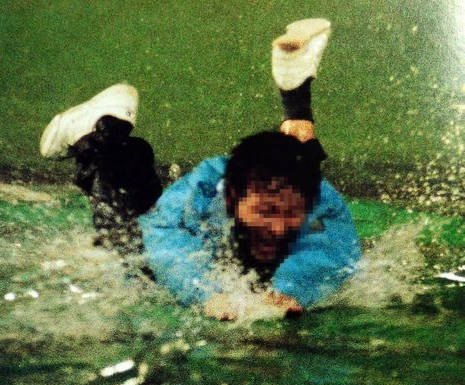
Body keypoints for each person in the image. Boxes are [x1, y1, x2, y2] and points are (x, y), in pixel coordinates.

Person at [39, 18, 361, 319]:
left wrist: (290, 290)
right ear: (232, 197)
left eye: (288, 213)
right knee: (128, 241)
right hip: (171, 232)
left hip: (272, 195)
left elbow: (331, 247)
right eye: (264, 212)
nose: (275, 227)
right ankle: (96, 134)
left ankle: (296, 101)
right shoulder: (205, 192)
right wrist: (207, 292)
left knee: (295, 165)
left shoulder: (315, 202)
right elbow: (165, 239)